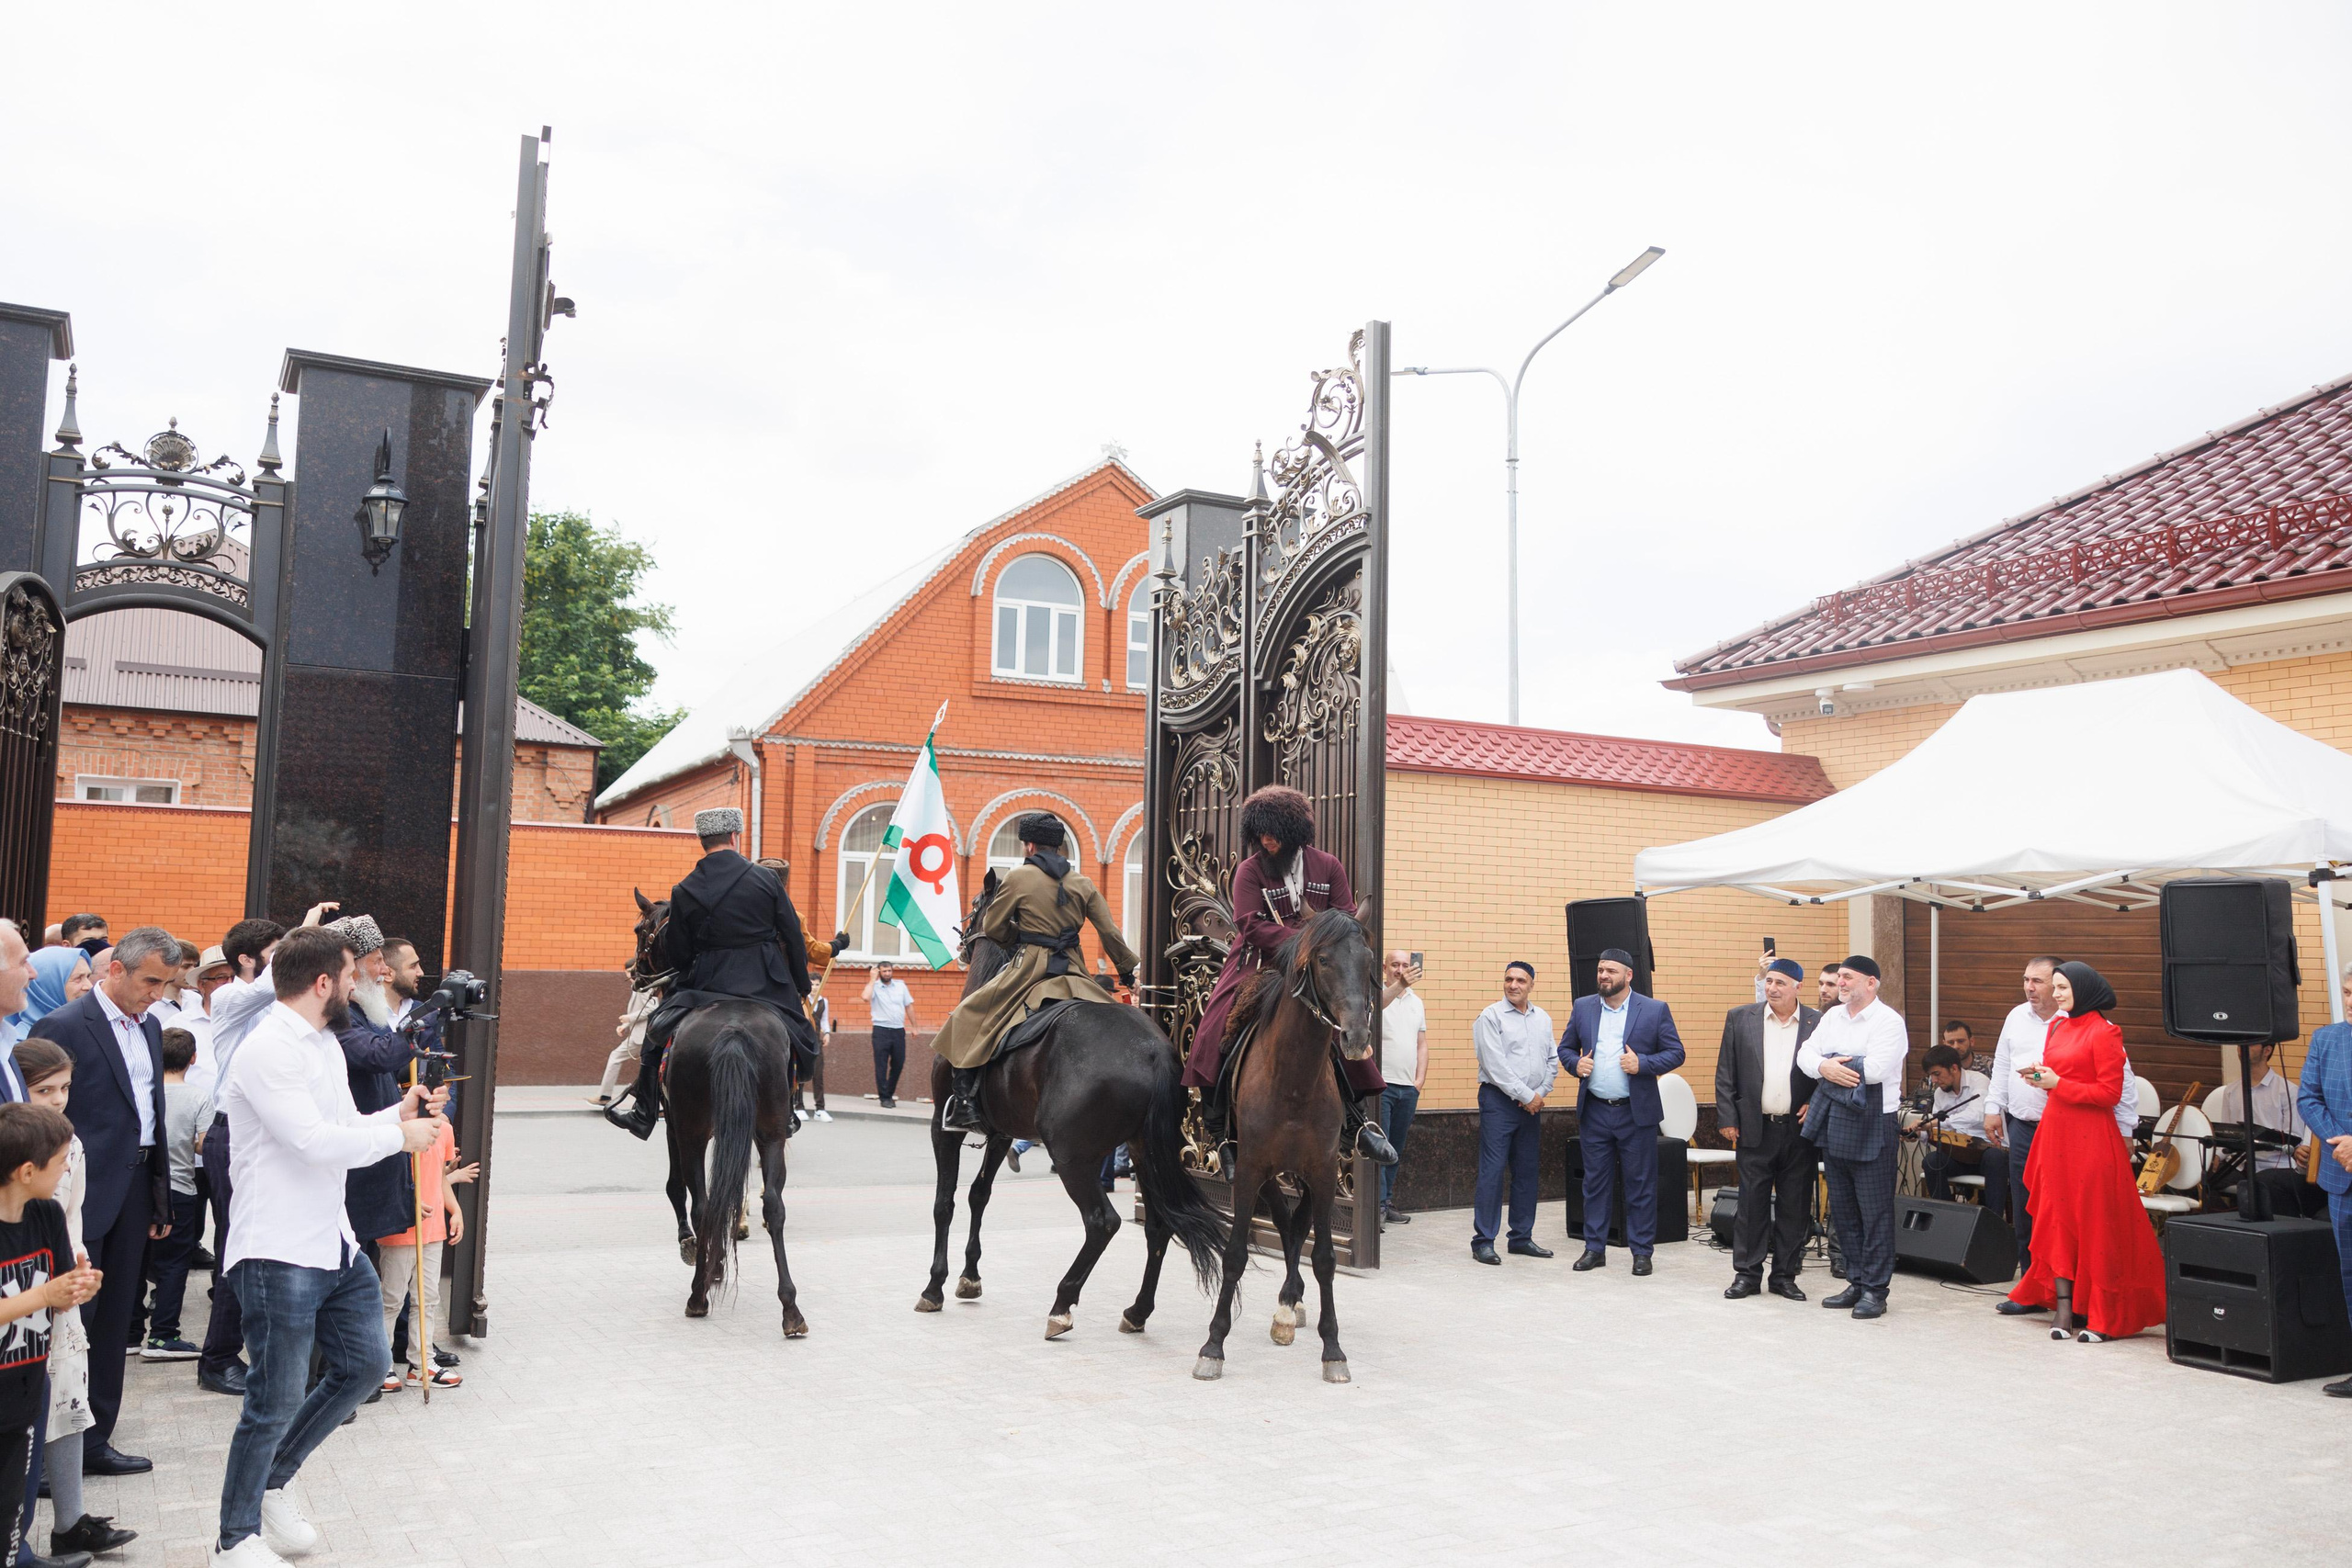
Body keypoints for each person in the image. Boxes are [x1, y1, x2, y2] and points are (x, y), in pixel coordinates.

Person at [212, 925, 447, 1567]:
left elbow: (344, 1127)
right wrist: (400, 1139)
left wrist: (399, 1113)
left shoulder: (321, 1043)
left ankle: (272, 1484)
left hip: (333, 1241)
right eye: (351, 975)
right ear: (322, 982)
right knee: (274, 1399)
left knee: (365, 1366)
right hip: (277, 1247)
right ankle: (233, 1539)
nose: (361, 983)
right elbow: (312, 1142)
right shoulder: (268, 1049)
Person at [28, 927, 177, 1476]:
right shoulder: (64, 1025)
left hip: (136, 1189)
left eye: (165, 984)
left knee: (115, 1318)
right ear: (116, 969)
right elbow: (43, 1116)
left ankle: (94, 1442)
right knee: (71, 1319)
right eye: (150, 981)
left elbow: (150, 1115)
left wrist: (159, 1195)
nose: (157, 994)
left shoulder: (152, 1026)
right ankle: (46, 1454)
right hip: (80, 1192)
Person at [1178, 786, 1394, 1164]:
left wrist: (1321, 946)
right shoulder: (1250, 870)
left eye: (1274, 832)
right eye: (1260, 833)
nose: (1266, 840)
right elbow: (1249, 924)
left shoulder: (1328, 865)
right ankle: (1221, 1134)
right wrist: (1300, 942)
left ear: (1295, 831)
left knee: (1348, 1020)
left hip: (1321, 963)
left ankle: (1357, 1125)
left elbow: (1345, 916)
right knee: (1216, 1028)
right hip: (1260, 961)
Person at [606, 808, 815, 1140]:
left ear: (702, 840)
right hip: (765, 983)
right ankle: (786, 1109)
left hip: (706, 984)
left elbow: (678, 953)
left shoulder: (684, 889)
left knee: (656, 1033)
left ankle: (644, 1110)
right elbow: (792, 935)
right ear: (735, 836)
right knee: (800, 1037)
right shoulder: (767, 880)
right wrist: (801, 985)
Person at [933, 814, 1140, 1132]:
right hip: (1074, 971)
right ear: (1058, 846)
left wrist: (1017, 937)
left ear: (1029, 846)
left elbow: (993, 927)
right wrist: (1126, 973)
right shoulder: (1083, 883)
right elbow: (1110, 933)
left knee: (967, 1015)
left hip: (1029, 970)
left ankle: (963, 1103)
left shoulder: (1018, 877)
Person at [12, 1042, 133, 1562]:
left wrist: (77, 1266)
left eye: (64, 1088)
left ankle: (70, 1521)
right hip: (21, 1294)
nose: (58, 1099)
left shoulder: (71, 1145)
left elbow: (72, 1215)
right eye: (44, 1090)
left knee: (67, 1398)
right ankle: (16, 1539)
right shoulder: (12, 1154)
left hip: (61, 1287)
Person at [2004, 962, 2166, 1342]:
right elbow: (2056, 1078)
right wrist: (2039, 1077)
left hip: (2091, 1136)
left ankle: (2104, 1314)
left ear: (2085, 989)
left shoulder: (2106, 1032)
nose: (2056, 994)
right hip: (2056, 1132)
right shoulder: (2058, 1027)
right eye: (2056, 986)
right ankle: (2064, 1308)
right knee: (2058, 1220)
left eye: (2063, 987)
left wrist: (2058, 1083)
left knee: (2095, 1223)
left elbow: (2109, 1093)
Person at [191, 916, 294, 1400]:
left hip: (261, 1133)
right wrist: (302, 933)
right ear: (247, 960)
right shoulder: (231, 997)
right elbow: (271, 985)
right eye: (276, 952)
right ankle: (217, 1359)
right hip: (231, 1134)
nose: (286, 962)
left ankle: (249, 1352)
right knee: (237, 1249)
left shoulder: (276, 1005)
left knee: (259, 1248)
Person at [0, 1102, 102, 1568]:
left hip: (25, 1386)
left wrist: (78, 1287)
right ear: (26, 1171)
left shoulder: (45, 1214)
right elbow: (43, 1294)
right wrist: (45, 1294)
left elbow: (59, 1295)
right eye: (61, 1161)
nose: (67, 1169)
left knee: (10, 1506)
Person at [1559, 951, 1686, 1276]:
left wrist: (1643, 1064)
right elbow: (1565, 1048)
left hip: (1635, 1113)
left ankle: (1641, 1252)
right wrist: (1576, 1064)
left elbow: (1676, 1053)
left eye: (1611, 971)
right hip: (1595, 1111)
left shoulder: (1654, 1009)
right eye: (1600, 970)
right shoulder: (1583, 1007)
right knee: (1595, 1184)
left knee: (1640, 1184)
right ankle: (1594, 1249)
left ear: (1628, 975)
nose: (1603, 975)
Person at [1798, 954, 1908, 1319]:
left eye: (1847, 977)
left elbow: (1875, 1071)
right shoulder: (1832, 1017)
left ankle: (1876, 1290)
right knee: (1844, 1211)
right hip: (1835, 1119)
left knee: (1874, 1213)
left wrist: (1828, 1066)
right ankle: (1856, 1281)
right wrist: (1824, 1065)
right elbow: (1805, 1055)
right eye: (1839, 977)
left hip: (1875, 1121)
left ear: (1871, 983)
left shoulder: (1889, 1021)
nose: (1840, 983)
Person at [1715, 956, 1820, 1301]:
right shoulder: (1741, 1018)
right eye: (1769, 982)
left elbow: (1828, 1071)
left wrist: (1815, 1103)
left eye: (1780, 983)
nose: (1772, 988)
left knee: (1794, 1206)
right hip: (1754, 1127)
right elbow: (1726, 1073)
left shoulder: (1817, 1023)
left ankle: (1784, 1276)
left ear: (1798, 987)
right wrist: (1727, 1118)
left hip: (1799, 1131)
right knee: (1751, 1205)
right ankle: (1747, 1275)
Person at [1470, 962, 1555, 1265]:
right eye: (1509, 979)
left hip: (1531, 1104)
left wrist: (1539, 1093)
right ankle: (1483, 1241)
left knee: (1527, 1171)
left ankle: (1521, 1237)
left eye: (1520, 980)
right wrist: (1526, 1096)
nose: (1513, 985)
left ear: (1531, 985)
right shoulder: (1490, 1016)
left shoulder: (1542, 1018)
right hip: (1499, 1102)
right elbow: (1494, 1065)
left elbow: (1552, 1061)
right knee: (1492, 1172)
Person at [373, 1111, 463, 1393]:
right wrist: (405, 1201)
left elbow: (439, 1176)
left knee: (427, 1299)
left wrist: (455, 1210)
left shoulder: (444, 1130)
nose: (442, 1097)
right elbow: (380, 1178)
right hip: (399, 1227)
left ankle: (422, 1364)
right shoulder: (395, 1129)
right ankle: (381, 1366)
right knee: (391, 1299)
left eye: (445, 1092)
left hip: (433, 1228)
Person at [2295, 963, 2352, 1398]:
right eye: (2348, 992)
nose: (2351, 1002)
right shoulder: (2326, 1039)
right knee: (2349, 1275)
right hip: (2342, 1175)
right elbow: (2309, 1098)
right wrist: (2341, 1144)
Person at [140, 1030, 206, 1361]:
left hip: (141, 1190)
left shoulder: (145, 1092)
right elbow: (204, 1145)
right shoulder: (198, 1097)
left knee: (137, 1262)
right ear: (192, 1058)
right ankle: (163, 1335)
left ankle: (130, 1332)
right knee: (174, 1264)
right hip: (179, 1189)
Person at [2207, 1042, 2323, 1219]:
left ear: (2267, 1050)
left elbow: (2296, 1139)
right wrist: (2216, 1156)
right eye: (2240, 1044)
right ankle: (2224, 1220)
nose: (2242, 1048)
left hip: (2275, 1166)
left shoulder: (2288, 1091)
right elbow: (2228, 1135)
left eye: (2250, 1044)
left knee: (2265, 1183)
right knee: (2197, 1177)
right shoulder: (2231, 1091)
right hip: (2240, 1164)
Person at [1919, 1043, 2009, 1218]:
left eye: (1937, 1074)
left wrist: (1936, 1123)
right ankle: (1946, 1219)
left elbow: (1977, 1115)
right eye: (1931, 1076)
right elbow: (1939, 1131)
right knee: (1932, 1161)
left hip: (1989, 1152)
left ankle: (1992, 1222)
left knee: (1995, 1157)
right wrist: (1920, 1133)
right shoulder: (1939, 1094)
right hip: (1961, 1155)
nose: (1934, 1080)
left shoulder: (1979, 1081)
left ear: (1954, 1068)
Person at [1376, 953, 1426, 1224]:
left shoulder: (1417, 1002)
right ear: (1385, 968)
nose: (1401, 969)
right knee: (1380, 1147)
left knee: (1395, 1148)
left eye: (1406, 965)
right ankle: (1377, 1206)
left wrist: (1419, 1081)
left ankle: (1386, 1201)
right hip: (1381, 1085)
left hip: (1408, 1087)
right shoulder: (1377, 995)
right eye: (1395, 965)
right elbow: (1375, 1009)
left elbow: (1421, 1044)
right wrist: (1400, 986)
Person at [598, 964, 662, 1110]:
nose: (627, 975)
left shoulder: (644, 988)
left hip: (641, 1035)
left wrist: (629, 1018)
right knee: (650, 1067)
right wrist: (626, 1025)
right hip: (640, 1034)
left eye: (628, 972)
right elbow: (639, 1011)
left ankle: (604, 1096)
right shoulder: (637, 987)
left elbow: (651, 1008)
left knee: (616, 1057)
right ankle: (653, 1103)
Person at [863, 962, 915, 1110]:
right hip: (881, 1031)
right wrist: (872, 979)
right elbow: (865, 997)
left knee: (899, 1063)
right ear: (879, 972)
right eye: (884, 971)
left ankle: (889, 1093)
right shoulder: (874, 987)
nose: (887, 973)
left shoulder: (900, 986)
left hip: (898, 1030)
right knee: (881, 1065)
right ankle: (884, 1097)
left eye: (889, 971)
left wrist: (915, 1026)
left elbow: (909, 1006)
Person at [5, 953, 87, 1038]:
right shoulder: (16, 1043)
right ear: (48, 985)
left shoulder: (88, 1030)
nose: (89, 986)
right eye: (78, 978)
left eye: (88, 976)